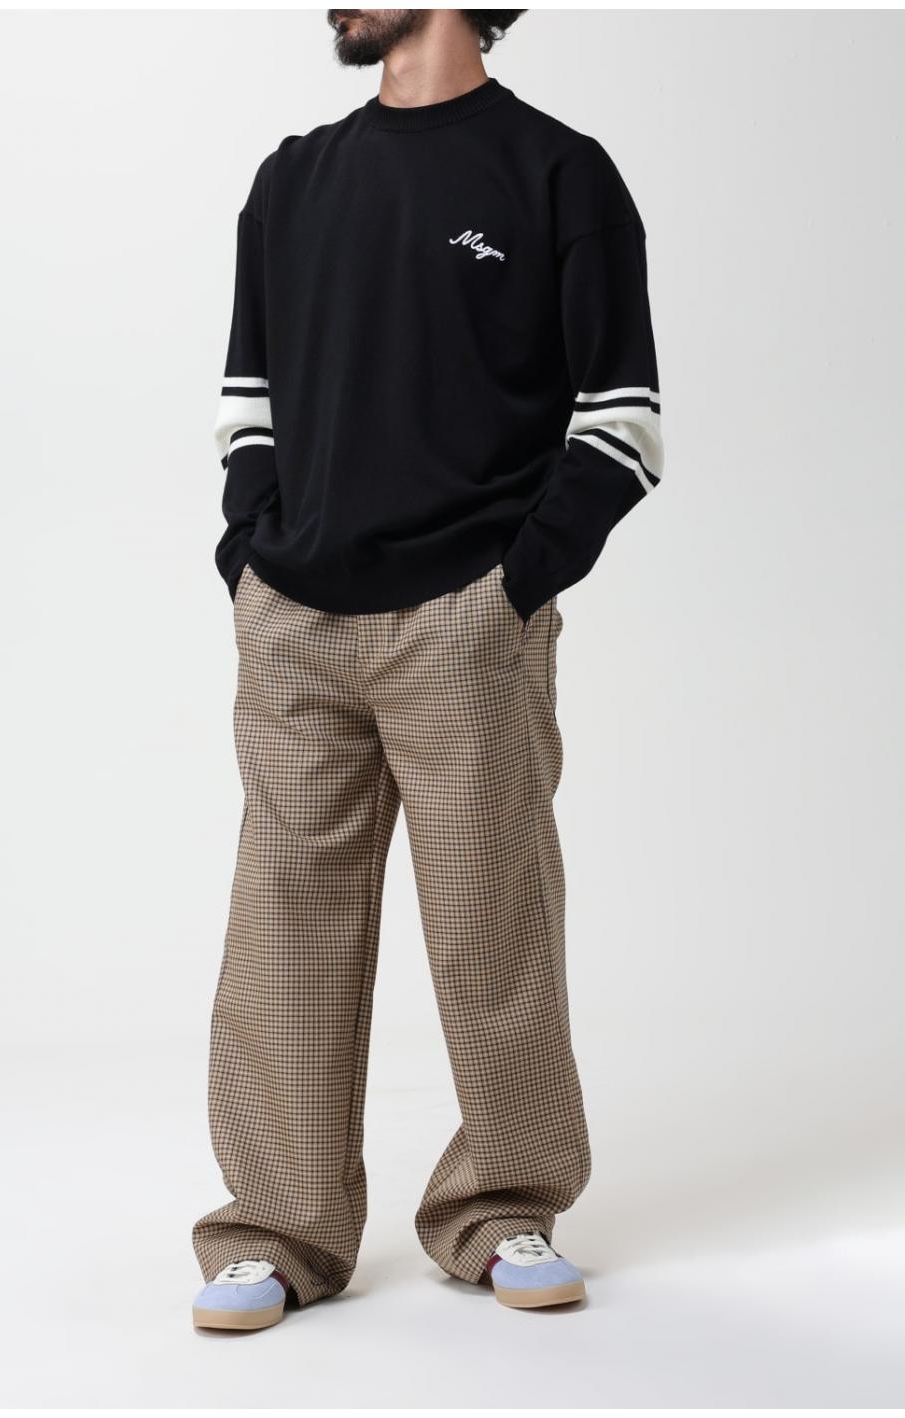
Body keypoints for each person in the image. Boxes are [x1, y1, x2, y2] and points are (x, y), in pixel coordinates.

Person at [191, 7, 663, 1331]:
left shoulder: (558, 173)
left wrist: (510, 586)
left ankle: (499, 1207)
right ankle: (277, 1229)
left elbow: (623, 420)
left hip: (464, 620)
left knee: (488, 922)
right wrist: (250, 557)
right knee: (283, 931)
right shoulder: (294, 178)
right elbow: (247, 402)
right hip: (295, 618)